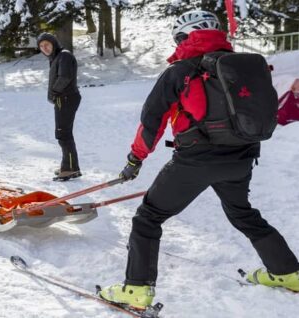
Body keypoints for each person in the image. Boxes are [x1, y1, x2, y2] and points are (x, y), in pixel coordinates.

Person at [98, 10, 299, 309]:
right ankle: (289, 273)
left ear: (183, 37)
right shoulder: (242, 66)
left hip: (196, 161)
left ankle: (136, 290)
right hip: (241, 158)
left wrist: (135, 159)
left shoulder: (180, 71)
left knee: (148, 217)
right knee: (243, 214)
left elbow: (152, 120)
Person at [36, 33, 82, 181]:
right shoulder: (57, 57)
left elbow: (65, 77)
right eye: (41, 46)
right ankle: (69, 166)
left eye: (47, 44)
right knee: (64, 133)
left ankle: (70, 169)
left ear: (53, 43)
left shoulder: (64, 56)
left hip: (66, 98)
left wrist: (55, 92)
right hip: (64, 98)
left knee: (63, 134)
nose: (45, 48)